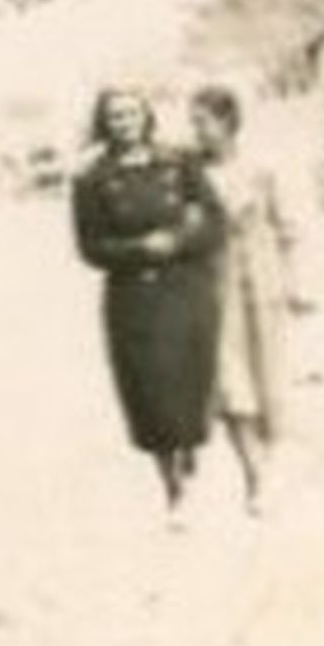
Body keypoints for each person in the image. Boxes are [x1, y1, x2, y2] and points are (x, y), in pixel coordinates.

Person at [70, 87, 226, 519]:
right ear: (104, 124)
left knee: (191, 384)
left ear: (146, 116)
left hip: (187, 291)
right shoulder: (91, 179)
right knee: (151, 394)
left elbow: (214, 221)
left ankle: (188, 448)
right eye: (116, 116)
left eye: (132, 113)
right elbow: (90, 247)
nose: (125, 123)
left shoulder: (179, 162)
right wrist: (139, 249)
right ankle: (172, 487)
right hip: (135, 298)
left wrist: (178, 241)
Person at [188, 85, 299, 516]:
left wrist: (293, 284)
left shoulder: (261, 168)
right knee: (229, 382)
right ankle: (255, 475)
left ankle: (266, 467)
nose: (197, 131)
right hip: (212, 286)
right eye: (194, 122)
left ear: (228, 121)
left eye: (204, 121)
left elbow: (287, 228)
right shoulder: (191, 173)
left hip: (260, 283)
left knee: (266, 378)